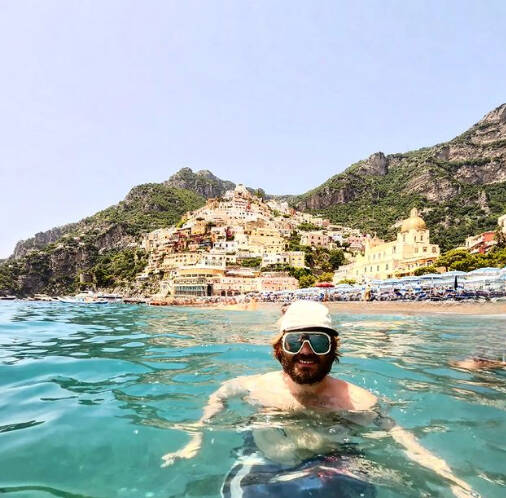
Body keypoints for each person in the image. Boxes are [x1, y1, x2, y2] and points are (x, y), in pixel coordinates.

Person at [162, 301, 476, 497]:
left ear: (333, 349)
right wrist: (195, 439)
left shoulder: (358, 400)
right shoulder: (255, 388)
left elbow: (400, 437)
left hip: (337, 464)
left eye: (319, 341)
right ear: (279, 349)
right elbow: (219, 397)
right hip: (265, 464)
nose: (307, 350)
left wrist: (447, 479)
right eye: (296, 340)